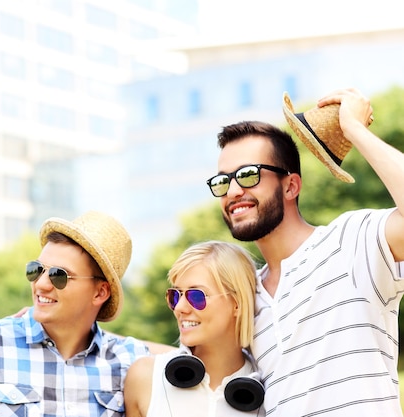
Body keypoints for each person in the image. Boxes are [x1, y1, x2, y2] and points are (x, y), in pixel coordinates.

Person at [206, 87, 404, 416]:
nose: (234, 191)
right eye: (224, 180)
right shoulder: (242, 295)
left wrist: (354, 129)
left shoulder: (350, 242)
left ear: (291, 186)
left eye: (248, 175)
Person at [0, 210, 150, 417]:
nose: (41, 284)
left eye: (59, 275)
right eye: (36, 270)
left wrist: (94, 332)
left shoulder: (131, 362)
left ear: (100, 293)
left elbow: (184, 358)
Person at [124, 241, 264, 417]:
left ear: (237, 304)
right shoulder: (145, 378)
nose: (179, 308)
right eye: (175, 295)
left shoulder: (271, 391)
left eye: (196, 296)